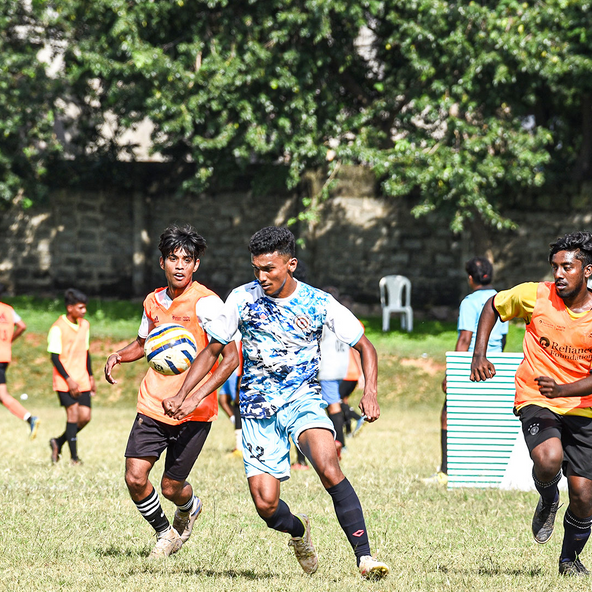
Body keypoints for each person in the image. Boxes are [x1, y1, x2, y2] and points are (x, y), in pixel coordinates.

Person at [161, 226, 390, 580]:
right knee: (267, 505)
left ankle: (365, 558)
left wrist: (370, 390)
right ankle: (299, 532)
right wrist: (183, 394)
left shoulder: (318, 302)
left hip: (303, 400)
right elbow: (213, 351)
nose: (261, 276)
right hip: (256, 409)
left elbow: (366, 346)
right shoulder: (241, 298)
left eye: (269, 269)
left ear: (291, 264)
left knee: (329, 467)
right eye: (256, 269)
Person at [103, 224, 238, 559]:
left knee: (170, 487)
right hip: (152, 404)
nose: (179, 265)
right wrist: (120, 354)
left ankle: (189, 506)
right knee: (135, 477)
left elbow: (231, 357)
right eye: (173, 258)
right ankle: (166, 534)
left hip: (194, 412)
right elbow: (144, 343)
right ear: (161, 262)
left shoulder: (207, 304)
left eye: (187, 259)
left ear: (196, 265)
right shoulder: (153, 301)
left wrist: (193, 396)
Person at [471, 231, 592, 577]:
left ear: (587, 271)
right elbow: (492, 305)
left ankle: (569, 559)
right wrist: (478, 354)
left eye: (567, 267)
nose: (558, 274)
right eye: (555, 266)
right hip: (537, 397)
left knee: (584, 496)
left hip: (582, 407)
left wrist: (565, 388)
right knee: (548, 459)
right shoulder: (535, 295)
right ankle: (549, 495)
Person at [426, 257, 508, 485]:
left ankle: (446, 471)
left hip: (472, 368)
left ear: (470, 279)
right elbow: (502, 338)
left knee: (447, 415)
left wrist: (451, 373)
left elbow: (465, 338)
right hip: (496, 366)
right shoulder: (502, 299)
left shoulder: (470, 302)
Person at [48, 288, 95, 464]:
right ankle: (74, 458)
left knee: (85, 417)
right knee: (73, 415)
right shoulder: (57, 328)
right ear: (70, 308)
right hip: (64, 380)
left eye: (84, 308)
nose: (84, 311)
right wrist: (68, 380)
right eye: (81, 308)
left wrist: (91, 376)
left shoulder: (85, 325)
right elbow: (54, 357)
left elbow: (86, 352)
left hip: (82, 379)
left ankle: (58, 441)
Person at [0, 283, 39, 438]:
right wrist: (9, 340)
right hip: (4, 356)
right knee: (2, 394)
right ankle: (29, 418)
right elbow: (22, 326)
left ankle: (30, 418)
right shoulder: (8, 310)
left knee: (3, 395)